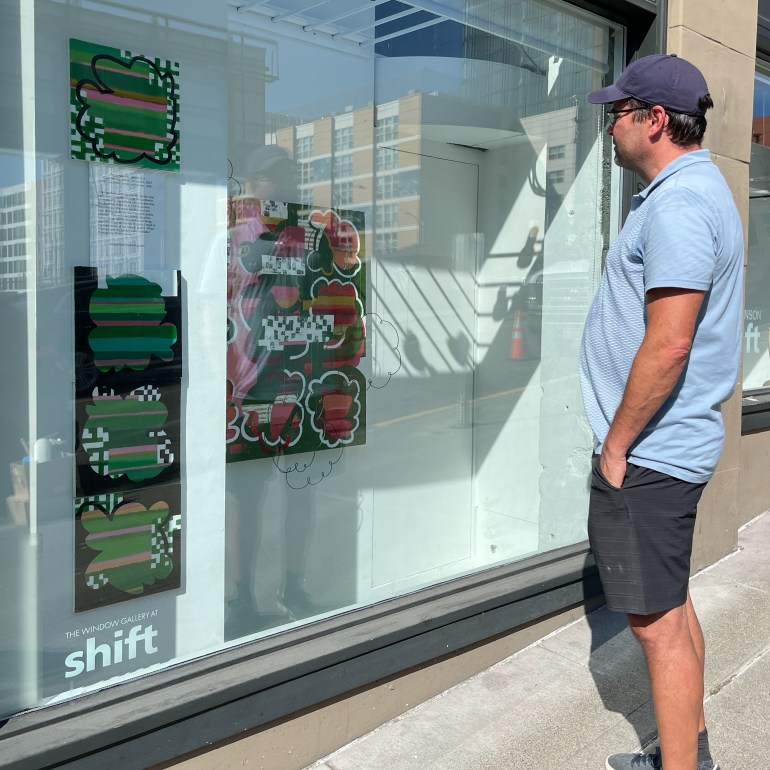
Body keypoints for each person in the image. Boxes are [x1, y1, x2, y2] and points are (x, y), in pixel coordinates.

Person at [579, 54, 743, 770]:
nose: (609, 125)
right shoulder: (690, 192)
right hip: (664, 447)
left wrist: (617, 445)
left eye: (617, 112)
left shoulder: (679, 206)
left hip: (650, 452)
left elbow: (670, 343)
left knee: (656, 628)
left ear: (653, 120)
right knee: (671, 609)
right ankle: (690, 757)